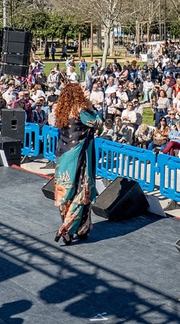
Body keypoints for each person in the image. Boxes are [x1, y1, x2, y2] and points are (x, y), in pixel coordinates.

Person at [52, 82, 102, 245]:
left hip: (62, 155)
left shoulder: (61, 110)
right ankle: (71, 228)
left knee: (65, 193)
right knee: (82, 192)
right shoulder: (81, 111)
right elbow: (98, 124)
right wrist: (92, 107)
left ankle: (74, 227)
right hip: (78, 156)